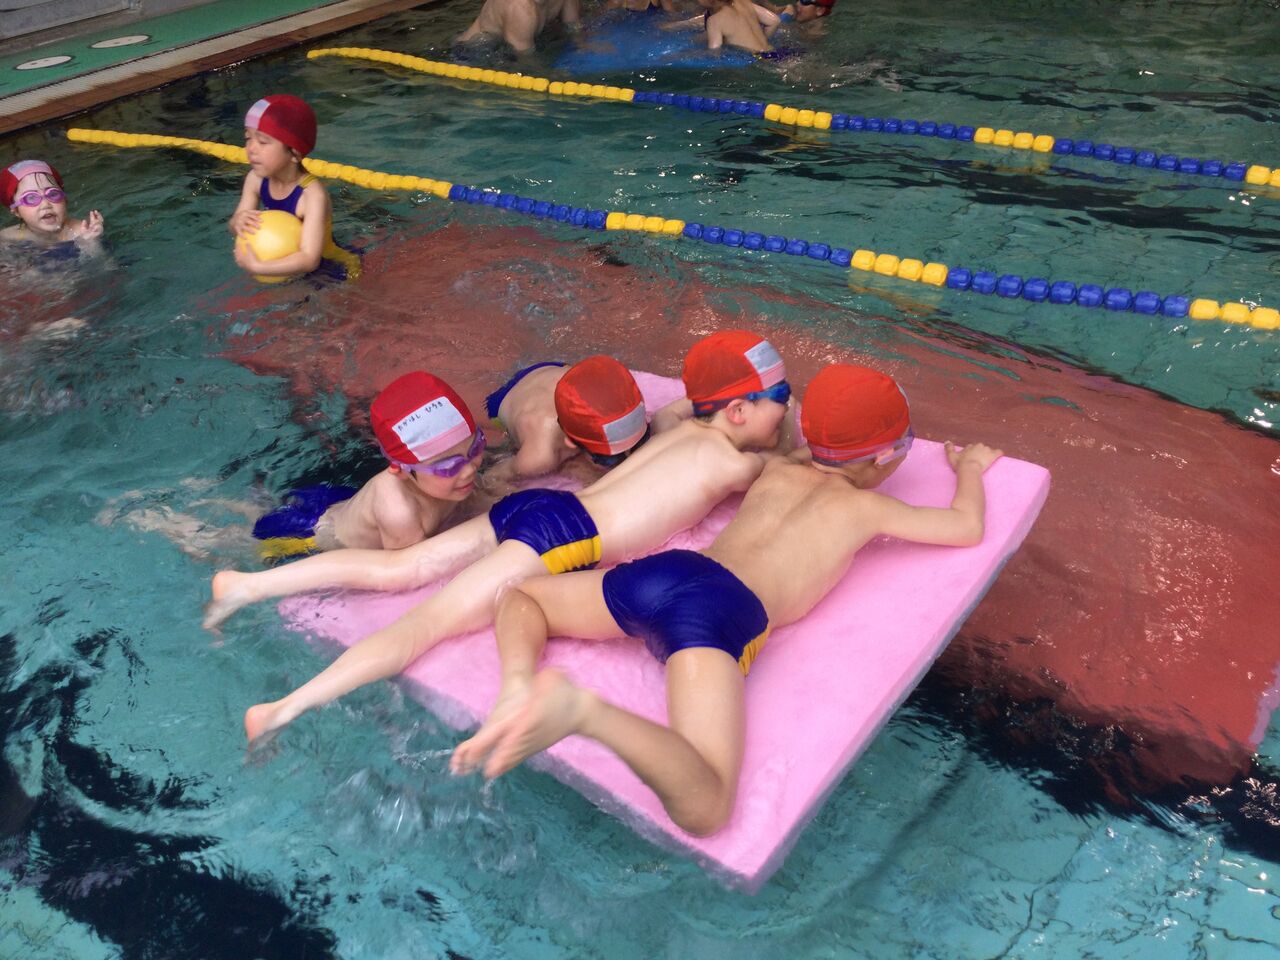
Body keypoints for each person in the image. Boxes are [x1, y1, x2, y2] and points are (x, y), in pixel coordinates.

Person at [450, 363, 1003, 837]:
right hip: (720, 613)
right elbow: (965, 526)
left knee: (525, 598)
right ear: (885, 457)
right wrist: (971, 470)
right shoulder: (871, 509)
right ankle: (584, 712)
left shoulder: (779, 468)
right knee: (707, 808)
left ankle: (517, 685)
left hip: (673, 572)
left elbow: (802, 444)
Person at [213, 330, 795, 744]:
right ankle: (282, 709)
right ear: (737, 412)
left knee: (401, 569)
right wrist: (789, 435)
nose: (788, 410)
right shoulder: (738, 465)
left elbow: (691, 406)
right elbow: (797, 465)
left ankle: (245, 586)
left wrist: (734, 401)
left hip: (545, 512)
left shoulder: (677, 427)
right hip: (566, 535)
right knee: (422, 627)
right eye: (780, 401)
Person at [254, 371, 487, 560]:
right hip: (306, 537)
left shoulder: (441, 480)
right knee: (247, 531)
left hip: (340, 501)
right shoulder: (399, 513)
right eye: (448, 467)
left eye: (475, 448)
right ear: (400, 470)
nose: (469, 470)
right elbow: (415, 572)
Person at [228, 95, 360, 282]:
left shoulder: (312, 195)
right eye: (248, 138)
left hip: (332, 268)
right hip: (283, 266)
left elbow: (309, 259)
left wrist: (258, 267)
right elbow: (235, 225)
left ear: (294, 153)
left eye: (262, 142)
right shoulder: (255, 179)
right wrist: (238, 222)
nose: (251, 149)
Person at [484, 355, 650, 481]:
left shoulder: (621, 399)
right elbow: (493, 479)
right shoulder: (539, 457)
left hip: (554, 370)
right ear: (571, 443)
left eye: (641, 440)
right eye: (610, 459)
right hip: (504, 399)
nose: (628, 459)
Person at [0, 160, 103, 253]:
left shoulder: (81, 231)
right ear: (16, 211)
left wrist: (91, 243)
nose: (45, 204)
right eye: (31, 198)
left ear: (65, 199)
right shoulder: (8, 237)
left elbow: (101, 263)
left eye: (53, 194)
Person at [457, 0, 581, 54]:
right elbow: (525, 62)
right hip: (472, 54)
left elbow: (574, 29)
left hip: (522, 44)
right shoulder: (520, 7)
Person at [663, 0, 780, 55]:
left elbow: (714, 54)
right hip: (775, 53)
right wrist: (761, 42)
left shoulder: (714, 21)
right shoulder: (743, 2)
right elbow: (774, 21)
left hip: (757, 61)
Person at [769, 0, 833, 24]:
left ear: (820, 10)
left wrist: (785, 17)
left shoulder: (815, 36)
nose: (798, 4)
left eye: (805, 1)